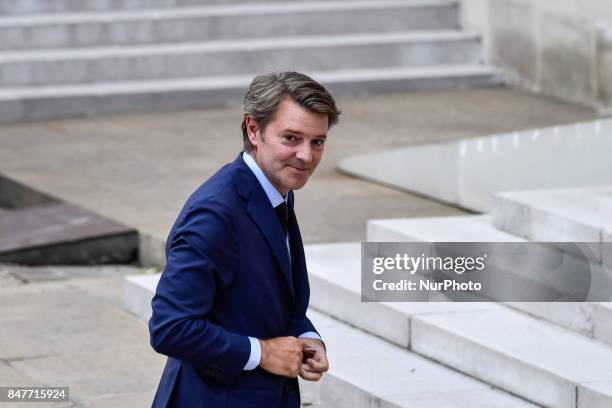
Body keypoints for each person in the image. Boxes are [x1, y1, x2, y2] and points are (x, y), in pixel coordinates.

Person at [149, 71, 341, 407]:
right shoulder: (215, 215)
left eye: (317, 142)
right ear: (254, 130)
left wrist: (307, 336)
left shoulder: (275, 188)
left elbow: (273, 299)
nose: (307, 156)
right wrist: (263, 353)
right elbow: (170, 328)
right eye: (291, 138)